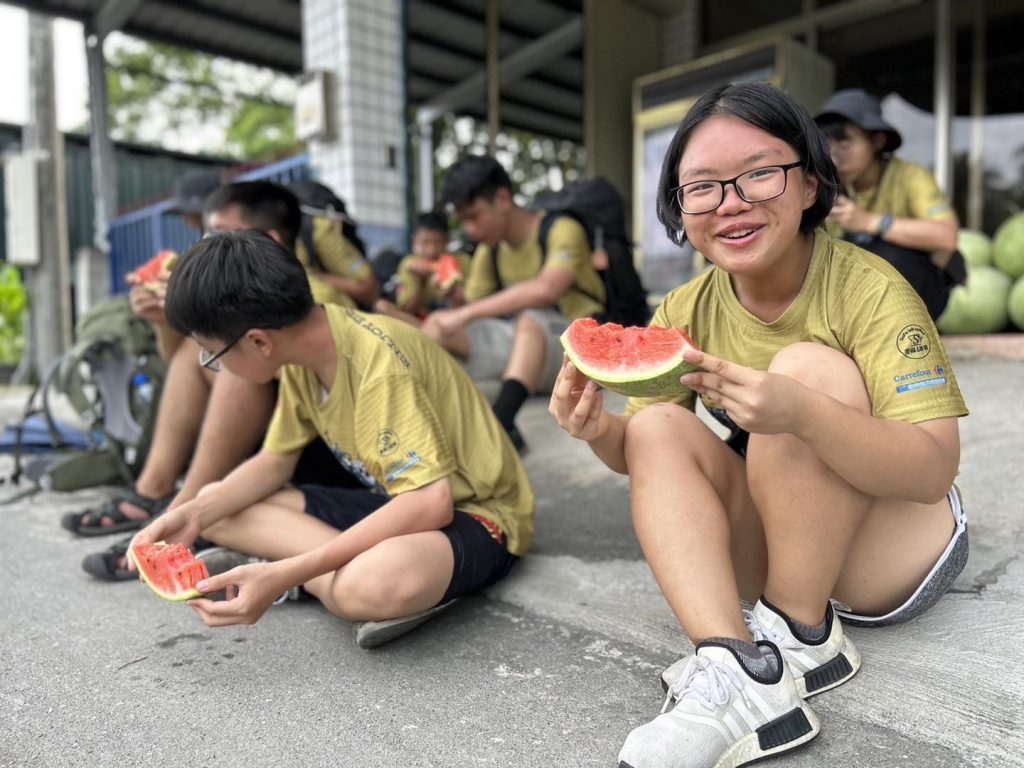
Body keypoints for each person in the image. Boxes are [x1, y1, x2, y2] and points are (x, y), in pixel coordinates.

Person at [549, 82, 968, 768]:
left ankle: (808, 636)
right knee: (656, 429)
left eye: (759, 174)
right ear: (680, 211)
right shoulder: (684, 306)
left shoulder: (871, 288)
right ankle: (740, 667)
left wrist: (803, 411)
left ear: (809, 184)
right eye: (703, 187)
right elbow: (648, 459)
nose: (732, 202)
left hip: (899, 554)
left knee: (808, 371)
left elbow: (932, 471)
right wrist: (597, 431)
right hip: (792, 547)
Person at [129, 230, 533, 648]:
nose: (217, 367)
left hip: (479, 514)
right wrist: (192, 513)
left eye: (212, 354)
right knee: (219, 506)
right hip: (399, 502)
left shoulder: (377, 365)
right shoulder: (305, 353)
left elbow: (432, 503)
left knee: (369, 584)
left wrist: (291, 571)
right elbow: (275, 461)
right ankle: (322, 576)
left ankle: (304, 577)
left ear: (258, 342)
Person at [75, 181, 359, 580]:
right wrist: (166, 321)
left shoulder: (316, 293)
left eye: (223, 234)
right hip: (275, 443)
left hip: (327, 450)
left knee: (238, 361)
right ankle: (155, 494)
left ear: (268, 241)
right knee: (209, 353)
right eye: (207, 233)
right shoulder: (243, 300)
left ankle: (187, 513)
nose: (209, 244)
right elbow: (185, 360)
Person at [61, 171, 221, 537]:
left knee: (220, 359)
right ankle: (161, 495)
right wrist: (164, 319)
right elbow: (177, 353)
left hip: (269, 378)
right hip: (233, 367)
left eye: (217, 219)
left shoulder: (249, 262)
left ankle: (178, 506)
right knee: (198, 355)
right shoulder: (194, 259)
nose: (199, 223)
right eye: (197, 216)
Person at [421, 155, 606, 450]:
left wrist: (465, 312)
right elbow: (474, 309)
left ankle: (501, 426)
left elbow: (546, 289)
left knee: (531, 317)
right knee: (436, 325)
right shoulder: (488, 251)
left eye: (474, 216)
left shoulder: (561, 228)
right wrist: (455, 302)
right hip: (523, 347)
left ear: (503, 198)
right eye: (463, 220)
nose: (469, 229)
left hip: (577, 350)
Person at [814, 88, 961, 318]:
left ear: (877, 141)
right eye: (828, 144)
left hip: (920, 294)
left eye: (845, 142)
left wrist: (869, 222)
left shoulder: (911, 176)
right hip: (859, 299)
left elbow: (946, 237)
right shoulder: (832, 186)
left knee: (887, 258)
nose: (835, 155)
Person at [373, 210, 469, 322]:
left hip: (454, 320)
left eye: (438, 242)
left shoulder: (462, 261)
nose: (432, 250)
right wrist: (420, 281)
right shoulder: (409, 264)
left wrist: (454, 292)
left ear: (447, 240)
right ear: (415, 241)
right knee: (381, 306)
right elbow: (407, 311)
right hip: (420, 323)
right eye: (425, 242)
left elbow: (474, 300)